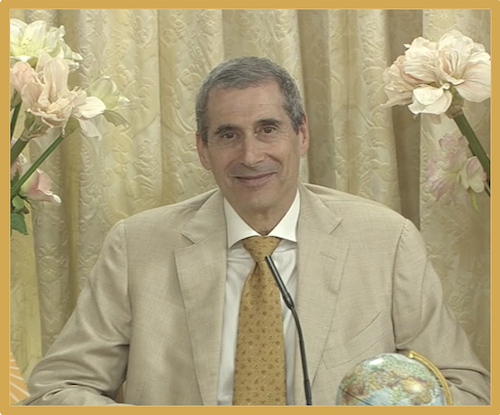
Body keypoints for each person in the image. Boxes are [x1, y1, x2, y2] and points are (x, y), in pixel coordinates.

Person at [25, 56, 490, 406]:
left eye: (268, 129)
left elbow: (465, 388)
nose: (250, 156)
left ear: (301, 135)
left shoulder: (386, 240)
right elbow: (56, 389)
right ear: (203, 149)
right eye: (229, 135)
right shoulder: (137, 245)